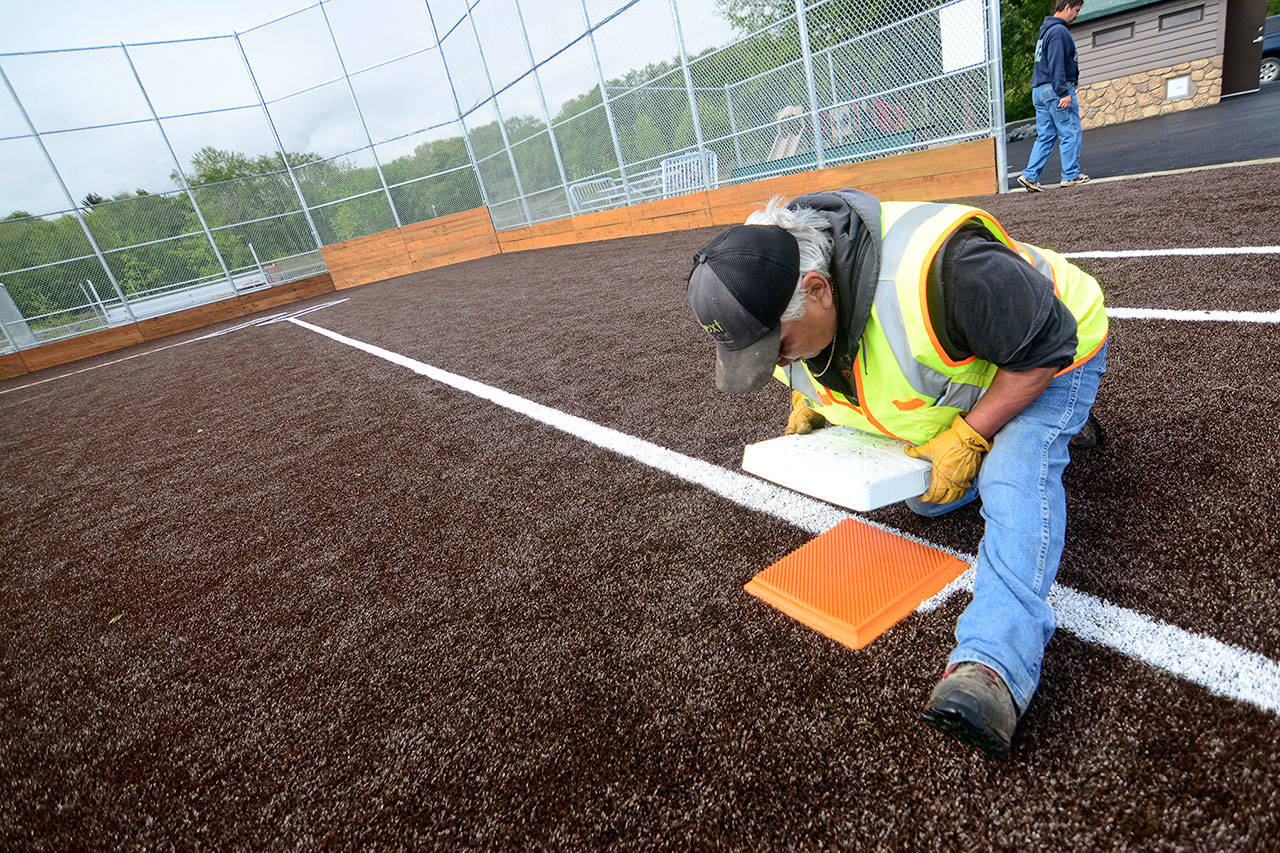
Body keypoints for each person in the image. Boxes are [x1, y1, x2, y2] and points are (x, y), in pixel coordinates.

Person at [687, 189, 1108, 759]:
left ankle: (993, 667)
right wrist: (817, 401)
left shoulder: (946, 268)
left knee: (1013, 470)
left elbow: (1046, 347)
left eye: (777, 349)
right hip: (985, 350)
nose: (778, 364)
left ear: (818, 290)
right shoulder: (785, 295)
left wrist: (970, 436)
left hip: (1051, 348)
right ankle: (1032, 420)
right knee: (927, 501)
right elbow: (826, 360)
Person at [1018, 0, 1090, 191]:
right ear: (1067, 7)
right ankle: (1071, 175)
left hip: (1039, 89)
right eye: (1076, 10)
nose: (1077, 15)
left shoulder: (1046, 32)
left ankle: (1030, 175)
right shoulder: (1059, 32)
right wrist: (1063, 92)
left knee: (1046, 135)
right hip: (1055, 88)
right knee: (1070, 131)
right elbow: (1057, 63)